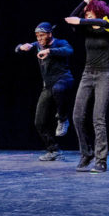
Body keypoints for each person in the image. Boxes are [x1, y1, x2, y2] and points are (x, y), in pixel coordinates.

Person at [65, 0, 109, 173]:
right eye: (86, 12)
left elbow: (102, 22)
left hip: (104, 75)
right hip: (87, 74)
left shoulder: (108, 25)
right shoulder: (86, 28)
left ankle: (101, 160)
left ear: (99, 11)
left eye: (89, 11)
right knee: (77, 116)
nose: (86, 14)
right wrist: (85, 1)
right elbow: (71, 18)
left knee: (98, 119)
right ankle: (86, 153)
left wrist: (82, 19)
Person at [16, 22, 75, 161]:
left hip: (64, 80)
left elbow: (69, 50)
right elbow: (16, 49)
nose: (39, 38)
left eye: (42, 35)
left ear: (49, 34)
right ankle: (54, 150)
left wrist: (49, 51)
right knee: (39, 122)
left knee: (58, 89)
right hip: (47, 86)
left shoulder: (60, 43)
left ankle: (62, 118)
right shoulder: (37, 45)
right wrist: (21, 47)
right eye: (37, 36)